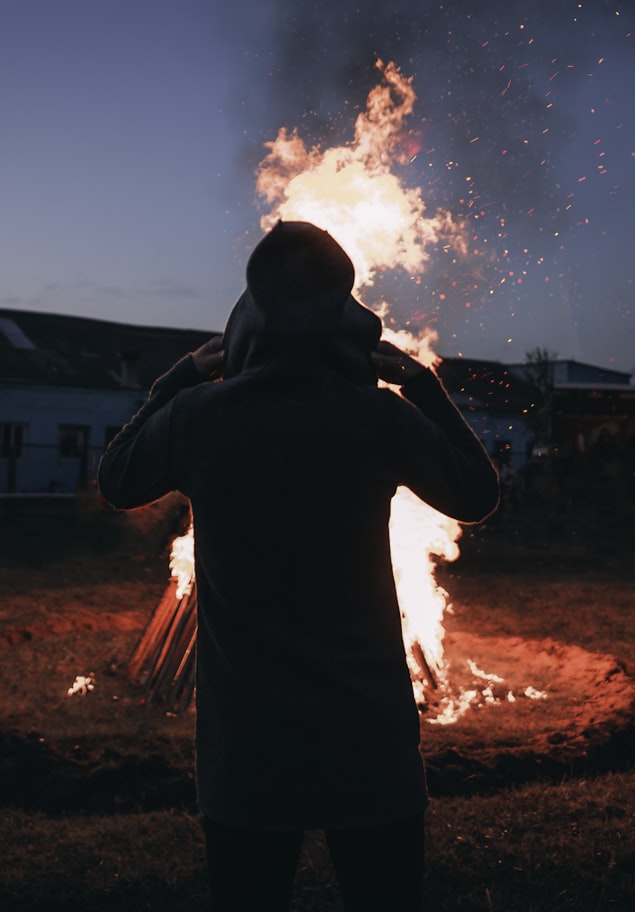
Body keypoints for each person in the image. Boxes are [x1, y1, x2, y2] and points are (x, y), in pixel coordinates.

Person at [98, 221, 500, 911]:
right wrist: (423, 388)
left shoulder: (201, 415)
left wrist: (178, 378)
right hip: (368, 741)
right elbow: (477, 494)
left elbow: (118, 480)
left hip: (247, 749)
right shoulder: (378, 418)